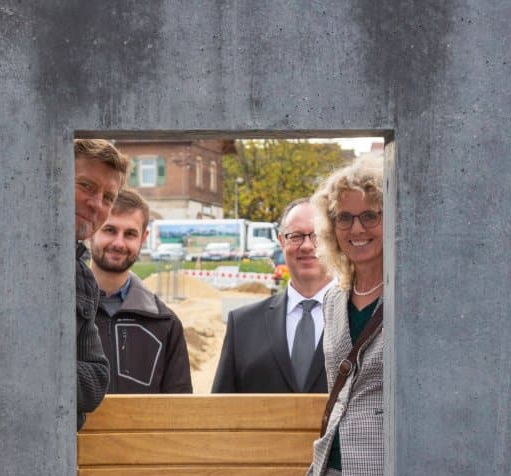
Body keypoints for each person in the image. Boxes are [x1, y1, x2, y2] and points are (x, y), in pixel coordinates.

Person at [292, 157, 387, 476]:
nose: (357, 228)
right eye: (344, 217)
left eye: (370, 215)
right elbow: (336, 402)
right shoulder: (333, 298)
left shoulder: (418, 295)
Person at [212, 197, 334, 394]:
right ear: (281, 241)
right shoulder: (242, 325)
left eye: (317, 235)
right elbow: (219, 413)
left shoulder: (363, 322)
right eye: (295, 236)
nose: (306, 245)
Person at [89, 188, 192, 393]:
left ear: (143, 238)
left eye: (130, 234)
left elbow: (180, 411)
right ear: (91, 229)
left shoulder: (165, 324)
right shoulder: (64, 313)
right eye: (109, 230)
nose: (119, 243)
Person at [74, 138, 123, 426]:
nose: (96, 204)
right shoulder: (2, 259)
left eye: (108, 197)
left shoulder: (82, 279)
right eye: (86, 186)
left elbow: (96, 380)